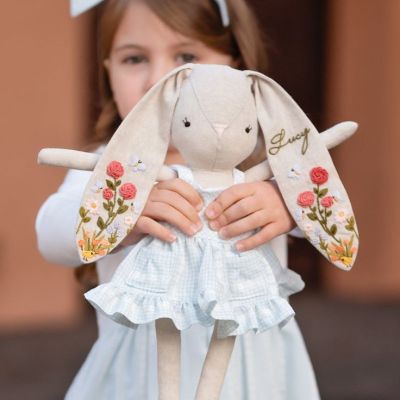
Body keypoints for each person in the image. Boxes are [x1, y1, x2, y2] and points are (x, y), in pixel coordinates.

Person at [35, 0, 320, 399]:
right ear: (108, 72)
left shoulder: (270, 164)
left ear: (236, 69)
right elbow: (49, 232)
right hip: (140, 378)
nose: (158, 80)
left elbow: (329, 216)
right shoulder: (111, 166)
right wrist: (120, 215)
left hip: (251, 374)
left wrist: (288, 206)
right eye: (134, 59)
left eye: (186, 57)